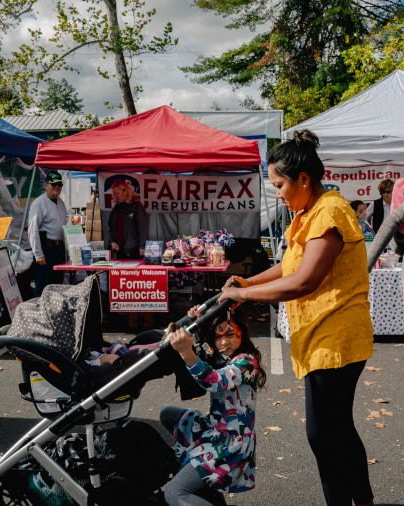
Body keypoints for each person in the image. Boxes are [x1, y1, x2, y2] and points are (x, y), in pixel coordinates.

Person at [219, 130, 375, 506]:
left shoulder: (330, 212)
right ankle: (364, 502)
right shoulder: (307, 212)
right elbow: (289, 265)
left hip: (335, 337)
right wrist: (244, 281)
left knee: (323, 435)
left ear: (303, 179)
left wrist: (241, 294)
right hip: (322, 335)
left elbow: (304, 281)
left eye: (279, 185)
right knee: (337, 429)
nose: (278, 193)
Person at [161, 307, 266, 506]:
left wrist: (185, 351)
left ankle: (195, 474)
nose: (224, 342)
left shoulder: (246, 362)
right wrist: (200, 323)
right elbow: (210, 354)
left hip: (229, 444)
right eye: (218, 337)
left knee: (175, 494)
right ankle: (195, 473)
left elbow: (214, 380)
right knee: (169, 415)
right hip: (214, 428)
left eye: (231, 334)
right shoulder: (224, 355)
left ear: (242, 332)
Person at [28, 170, 68, 297]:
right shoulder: (39, 203)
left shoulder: (61, 203)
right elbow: (32, 229)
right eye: (54, 184)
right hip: (47, 248)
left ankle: (54, 315)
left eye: (59, 184)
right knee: (44, 287)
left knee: (57, 286)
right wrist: (38, 253)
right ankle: (41, 314)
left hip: (59, 248)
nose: (57, 187)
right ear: (46, 185)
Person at [107, 179, 148, 260]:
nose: (115, 196)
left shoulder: (136, 206)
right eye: (114, 194)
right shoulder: (116, 208)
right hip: (119, 251)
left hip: (134, 250)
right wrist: (112, 241)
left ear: (125, 192)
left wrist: (142, 246)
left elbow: (143, 227)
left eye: (117, 193)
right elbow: (110, 228)